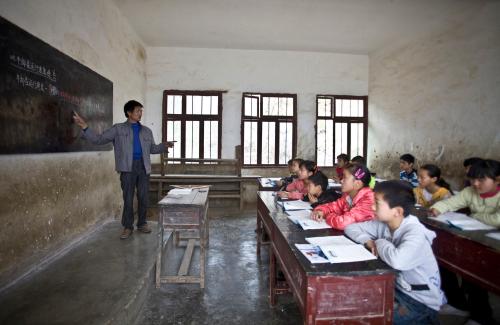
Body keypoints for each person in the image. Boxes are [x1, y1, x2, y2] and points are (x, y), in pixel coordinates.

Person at [345, 180, 445, 324]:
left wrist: (379, 242)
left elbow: (398, 261)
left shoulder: (415, 233)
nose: (372, 207)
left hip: (419, 301)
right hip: (397, 288)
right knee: (353, 301)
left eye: (377, 204)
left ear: (397, 211)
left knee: (367, 319)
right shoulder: (384, 224)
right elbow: (351, 228)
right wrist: (367, 240)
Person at [73, 100, 174, 239]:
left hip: (144, 167)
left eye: (141, 111)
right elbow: (99, 139)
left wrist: (164, 146)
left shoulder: (146, 131)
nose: (140, 113)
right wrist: (84, 127)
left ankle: (142, 223)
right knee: (128, 198)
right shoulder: (118, 129)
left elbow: (152, 149)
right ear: (129, 112)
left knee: (143, 197)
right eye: (138, 110)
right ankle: (127, 227)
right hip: (127, 167)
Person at [310, 163, 374, 230]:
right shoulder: (347, 196)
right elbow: (333, 206)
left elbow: (342, 223)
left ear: (357, 184)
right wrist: (321, 211)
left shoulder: (368, 200)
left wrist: (328, 216)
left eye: (345, 177)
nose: (341, 181)